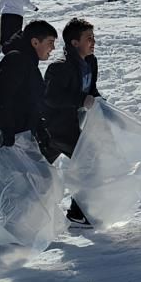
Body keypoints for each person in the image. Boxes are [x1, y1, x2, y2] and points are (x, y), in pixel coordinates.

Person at [42, 18, 101, 227]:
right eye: (89, 38)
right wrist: (80, 100)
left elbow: (90, 90)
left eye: (93, 37)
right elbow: (50, 98)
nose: (93, 42)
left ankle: (74, 212)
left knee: (37, 171)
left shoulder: (91, 62)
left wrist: (102, 106)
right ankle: (77, 214)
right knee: (88, 161)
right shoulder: (60, 68)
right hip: (54, 128)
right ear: (75, 43)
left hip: (72, 126)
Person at [0, 20, 58, 148]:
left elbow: (31, 103)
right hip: (7, 141)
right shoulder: (16, 60)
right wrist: (7, 133)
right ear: (35, 42)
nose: (53, 48)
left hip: (20, 138)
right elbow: (0, 98)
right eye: (50, 42)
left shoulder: (30, 65)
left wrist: (40, 129)